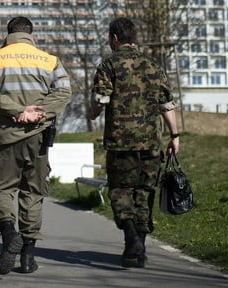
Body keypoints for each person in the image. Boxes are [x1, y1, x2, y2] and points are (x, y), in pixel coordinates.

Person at [0, 16, 72, 275]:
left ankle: (9, 235)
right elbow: (64, 92)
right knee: (33, 192)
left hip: (6, 137)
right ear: (31, 33)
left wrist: (18, 111)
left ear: (8, 34)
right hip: (39, 138)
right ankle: (28, 257)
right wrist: (39, 113)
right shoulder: (50, 60)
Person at [88, 17, 179, 268]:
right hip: (150, 143)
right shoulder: (153, 66)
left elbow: (101, 100)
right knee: (144, 193)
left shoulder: (108, 65)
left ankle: (130, 237)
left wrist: (91, 113)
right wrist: (175, 136)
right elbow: (166, 105)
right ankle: (138, 249)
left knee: (120, 190)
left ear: (114, 39)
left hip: (120, 144)